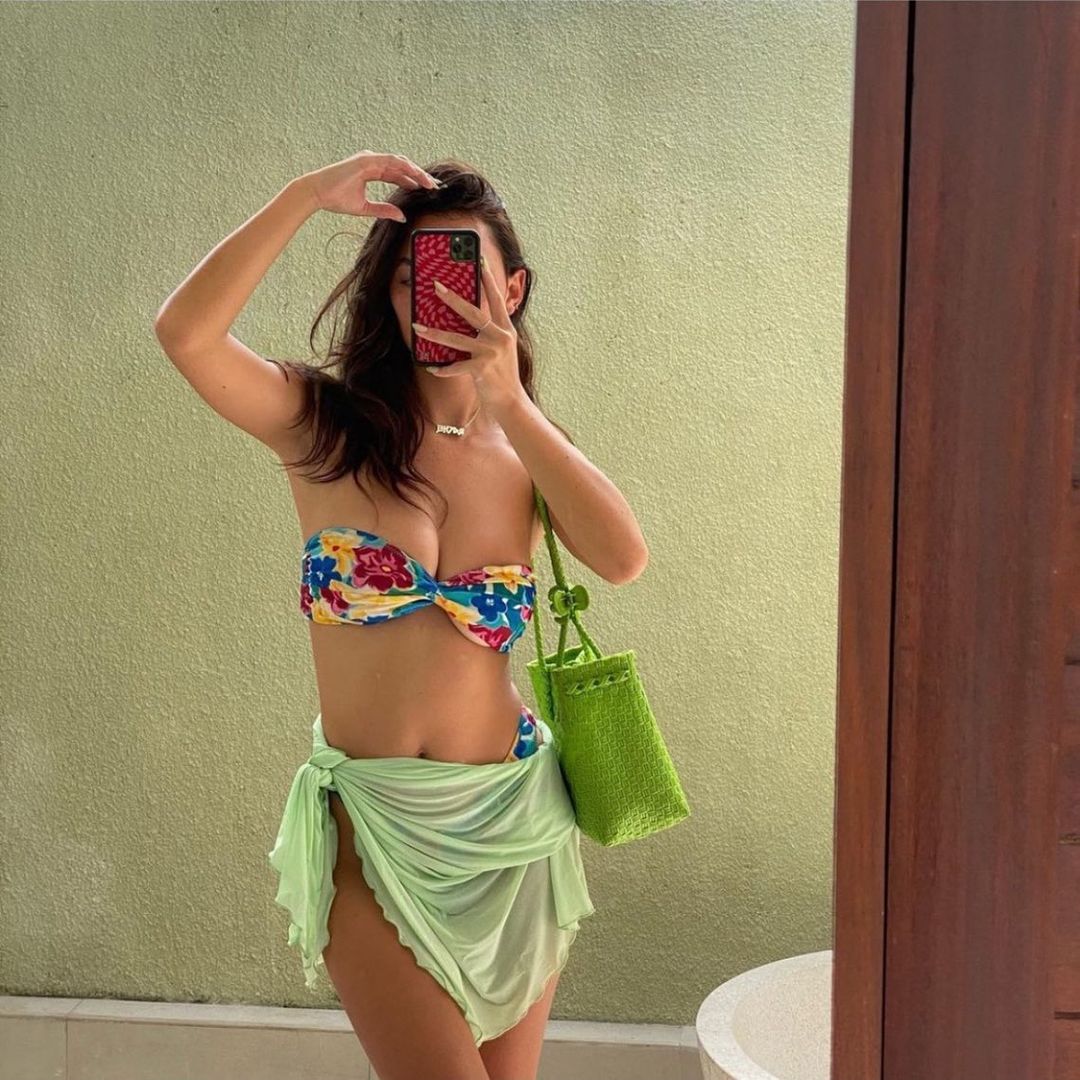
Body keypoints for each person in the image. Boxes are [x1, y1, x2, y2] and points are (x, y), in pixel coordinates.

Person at [153, 149, 649, 1080]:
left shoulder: (527, 451)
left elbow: (623, 559)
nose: (437, 298)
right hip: (375, 831)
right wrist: (305, 196)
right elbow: (186, 334)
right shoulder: (325, 427)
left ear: (512, 289)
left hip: (515, 820)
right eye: (411, 278)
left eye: (464, 274)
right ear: (387, 297)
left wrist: (512, 402)